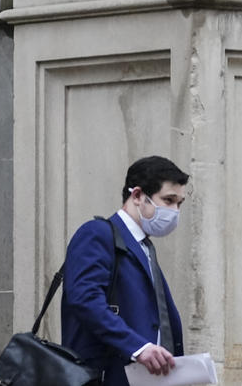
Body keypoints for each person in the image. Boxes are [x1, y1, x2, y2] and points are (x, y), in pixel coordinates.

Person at [60, 156, 190, 386]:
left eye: (179, 203)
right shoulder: (97, 234)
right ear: (137, 195)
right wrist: (138, 348)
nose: (174, 211)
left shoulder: (142, 246)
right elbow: (85, 299)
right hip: (105, 376)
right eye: (168, 200)